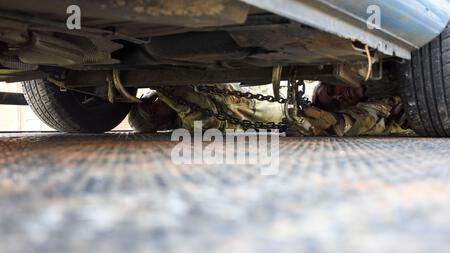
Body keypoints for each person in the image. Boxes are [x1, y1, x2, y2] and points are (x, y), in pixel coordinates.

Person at [128, 82, 415, 136]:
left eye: (151, 98)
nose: (155, 99)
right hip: (308, 114)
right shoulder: (196, 123)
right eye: (151, 104)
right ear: (159, 121)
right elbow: (183, 96)